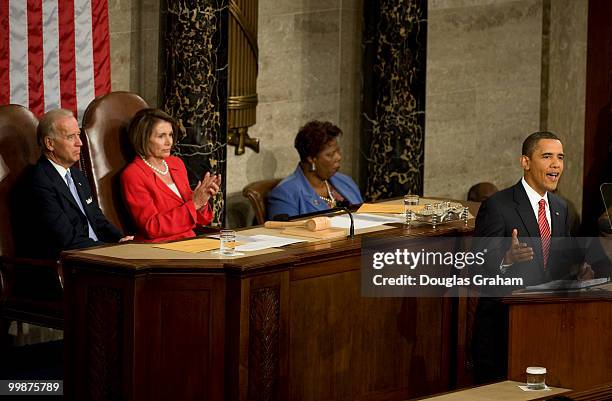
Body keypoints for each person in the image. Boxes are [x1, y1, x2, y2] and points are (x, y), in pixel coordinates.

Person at [470, 131, 590, 384]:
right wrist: (506, 260)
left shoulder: (561, 208)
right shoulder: (498, 206)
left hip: (547, 331)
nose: (556, 164)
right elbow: (477, 272)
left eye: (560, 157)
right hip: (504, 335)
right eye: (546, 156)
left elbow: (559, 266)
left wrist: (577, 271)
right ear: (525, 162)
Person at [22, 109, 132, 259]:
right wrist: (109, 250)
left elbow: (97, 219)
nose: (79, 143)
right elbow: (66, 239)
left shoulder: (76, 174)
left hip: (96, 253)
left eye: (78, 135)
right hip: (70, 262)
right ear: (50, 143)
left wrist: (119, 240)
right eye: (70, 137)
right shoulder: (39, 180)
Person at [120, 108, 220, 242]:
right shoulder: (133, 175)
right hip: (160, 248)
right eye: (161, 136)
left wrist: (202, 201)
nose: (169, 142)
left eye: (171, 135)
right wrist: (194, 204)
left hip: (190, 241)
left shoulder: (176, 163)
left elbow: (198, 220)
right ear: (143, 138)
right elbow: (152, 227)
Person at [267, 120, 362, 219]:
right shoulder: (285, 194)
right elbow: (282, 232)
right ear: (311, 158)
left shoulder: (346, 182)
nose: (338, 157)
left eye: (338, 151)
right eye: (330, 154)